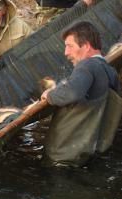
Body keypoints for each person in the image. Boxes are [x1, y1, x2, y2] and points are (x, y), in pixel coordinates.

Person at [41, 21, 122, 167]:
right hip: (89, 156)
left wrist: (50, 95)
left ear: (86, 46)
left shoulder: (86, 66)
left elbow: (72, 92)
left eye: (70, 46)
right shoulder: (110, 72)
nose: (66, 52)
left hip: (62, 158)